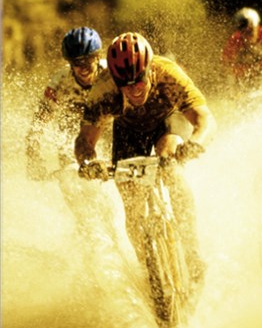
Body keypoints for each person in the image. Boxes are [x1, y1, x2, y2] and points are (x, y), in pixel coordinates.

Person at [74, 31, 217, 289]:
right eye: (125, 84)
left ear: (150, 70)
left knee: (168, 156)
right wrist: (88, 163)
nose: (134, 89)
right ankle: (149, 272)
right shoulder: (104, 90)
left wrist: (196, 143)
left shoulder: (169, 75)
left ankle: (193, 254)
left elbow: (205, 118)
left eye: (138, 80)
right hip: (129, 131)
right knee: (131, 202)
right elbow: (84, 142)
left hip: (167, 121)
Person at [26, 26, 107, 180]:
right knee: (69, 174)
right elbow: (38, 124)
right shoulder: (59, 82)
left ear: (97, 57)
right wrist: (33, 157)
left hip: (107, 123)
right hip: (73, 128)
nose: (83, 68)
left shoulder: (112, 72)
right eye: (76, 63)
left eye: (87, 60)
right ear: (70, 63)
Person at [221, 7, 262, 91]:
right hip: (243, 80)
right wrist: (245, 70)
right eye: (244, 32)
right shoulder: (235, 40)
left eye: (251, 31)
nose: (248, 35)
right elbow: (226, 65)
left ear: (257, 26)